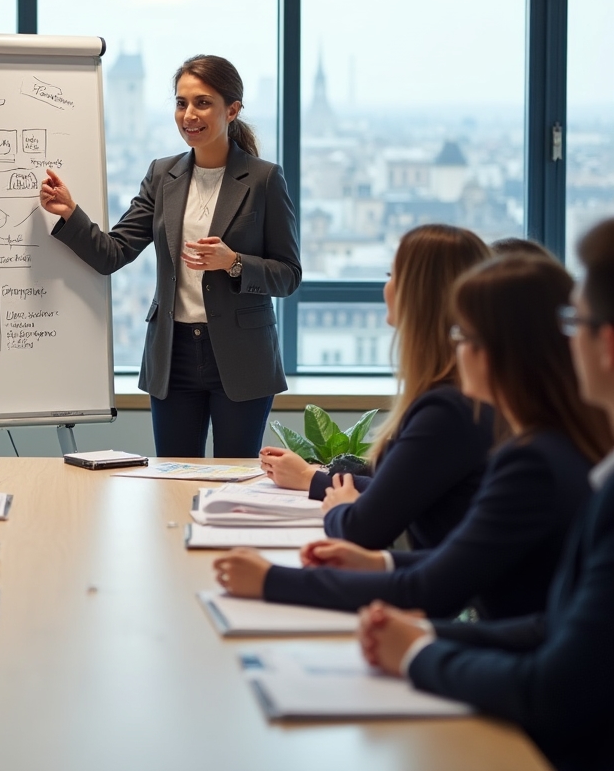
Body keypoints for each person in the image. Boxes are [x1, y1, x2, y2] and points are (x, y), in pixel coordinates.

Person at [213, 256, 612, 620]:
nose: (456, 347)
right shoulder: (550, 444)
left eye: (463, 334)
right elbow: (462, 564)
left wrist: (271, 580)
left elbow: (434, 587)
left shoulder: (523, 454)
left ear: (493, 352)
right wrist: (382, 567)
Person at [358, 218, 614, 771]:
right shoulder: (593, 467)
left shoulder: (538, 460)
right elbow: (557, 625)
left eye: (577, 323)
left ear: (606, 344)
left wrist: (419, 653)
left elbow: (553, 688)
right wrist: (421, 634)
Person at [40, 54, 301, 457]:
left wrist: (233, 262)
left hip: (241, 356)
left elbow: (288, 275)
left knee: (234, 480)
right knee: (172, 480)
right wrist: (71, 214)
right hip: (172, 354)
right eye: (181, 103)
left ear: (232, 110)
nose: (189, 115)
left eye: (202, 103)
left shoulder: (264, 178)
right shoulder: (163, 175)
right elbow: (115, 251)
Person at [260, 224, 494, 550]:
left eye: (391, 274)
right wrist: (316, 478)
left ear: (418, 294)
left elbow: (360, 529)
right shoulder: (458, 396)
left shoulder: (447, 409)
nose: (386, 287)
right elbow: (400, 487)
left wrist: (322, 489)